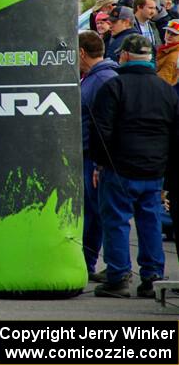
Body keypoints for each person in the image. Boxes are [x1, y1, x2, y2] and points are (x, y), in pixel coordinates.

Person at [89, 35, 179, 298]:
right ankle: (152, 276)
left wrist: (100, 164)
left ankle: (118, 276)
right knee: (149, 221)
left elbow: (100, 132)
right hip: (153, 170)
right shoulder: (165, 90)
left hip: (120, 169)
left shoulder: (115, 87)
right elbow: (175, 133)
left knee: (116, 222)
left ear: (126, 55)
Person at [78, 31, 118, 282]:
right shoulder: (92, 78)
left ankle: (90, 262)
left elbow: (105, 124)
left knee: (96, 211)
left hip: (95, 157)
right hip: (89, 154)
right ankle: (88, 261)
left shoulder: (103, 79)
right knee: (92, 210)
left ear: (82, 52)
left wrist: (99, 162)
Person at [156, 19, 179, 90]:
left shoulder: (173, 56)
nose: (169, 35)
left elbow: (163, 82)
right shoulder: (166, 49)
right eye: (168, 32)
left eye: (174, 34)